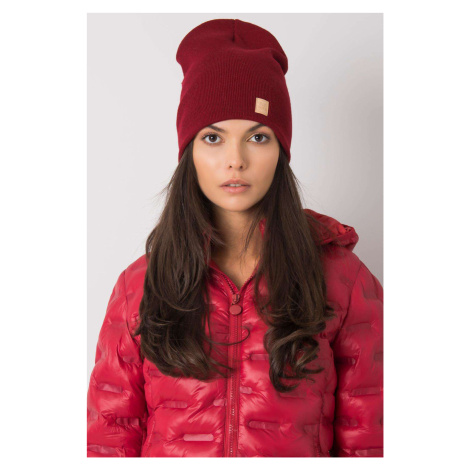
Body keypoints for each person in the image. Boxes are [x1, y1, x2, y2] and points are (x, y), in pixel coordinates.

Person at [87, 18, 383, 458]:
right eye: (213, 137)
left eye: (257, 137)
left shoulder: (345, 280)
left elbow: (373, 442)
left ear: (280, 150)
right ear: (189, 151)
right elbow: (107, 441)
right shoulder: (140, 286)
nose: (235, 160)